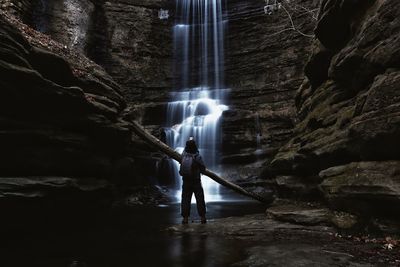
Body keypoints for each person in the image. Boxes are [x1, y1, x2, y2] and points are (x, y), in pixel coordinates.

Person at [179, 138, 207, 224]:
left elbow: (181, 164)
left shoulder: (183, 155)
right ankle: (202, 217)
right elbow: (202, 167)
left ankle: (185, 218)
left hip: (186, 181)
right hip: (196, 181)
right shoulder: (197, 156)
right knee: (200, 199)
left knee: (185, 199)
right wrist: (202, 171)